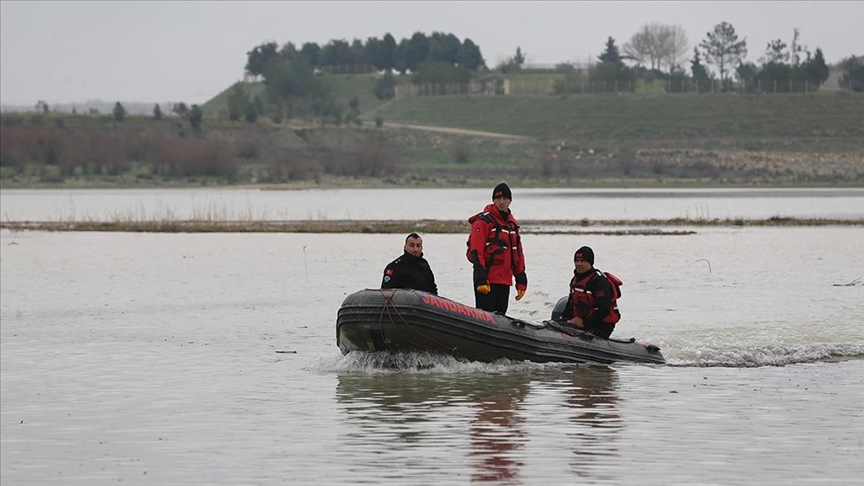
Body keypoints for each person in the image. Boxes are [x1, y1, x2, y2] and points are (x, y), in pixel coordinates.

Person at [466, 182, 527, 314]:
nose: (501, 202)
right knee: (485, 317)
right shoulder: (483, 222)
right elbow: (476, 252)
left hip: (505, 281)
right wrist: (481, 278)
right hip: (487, 280)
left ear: (510, 201)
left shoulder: (512, 225)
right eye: (498, 198)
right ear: (493, 200)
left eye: (505, 199)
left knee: (501, 317)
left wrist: (521, 278)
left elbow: (518, 254)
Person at [561, 246, 620, 339]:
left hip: (601, 325)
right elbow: (571, 303)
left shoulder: (599, 282)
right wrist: (563, 321)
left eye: (582, 261)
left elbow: (605, 309)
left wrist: (584, 323)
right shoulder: (575, 281)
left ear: (590, 263)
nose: (579, 264)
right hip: (582, 321)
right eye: (576, 261)